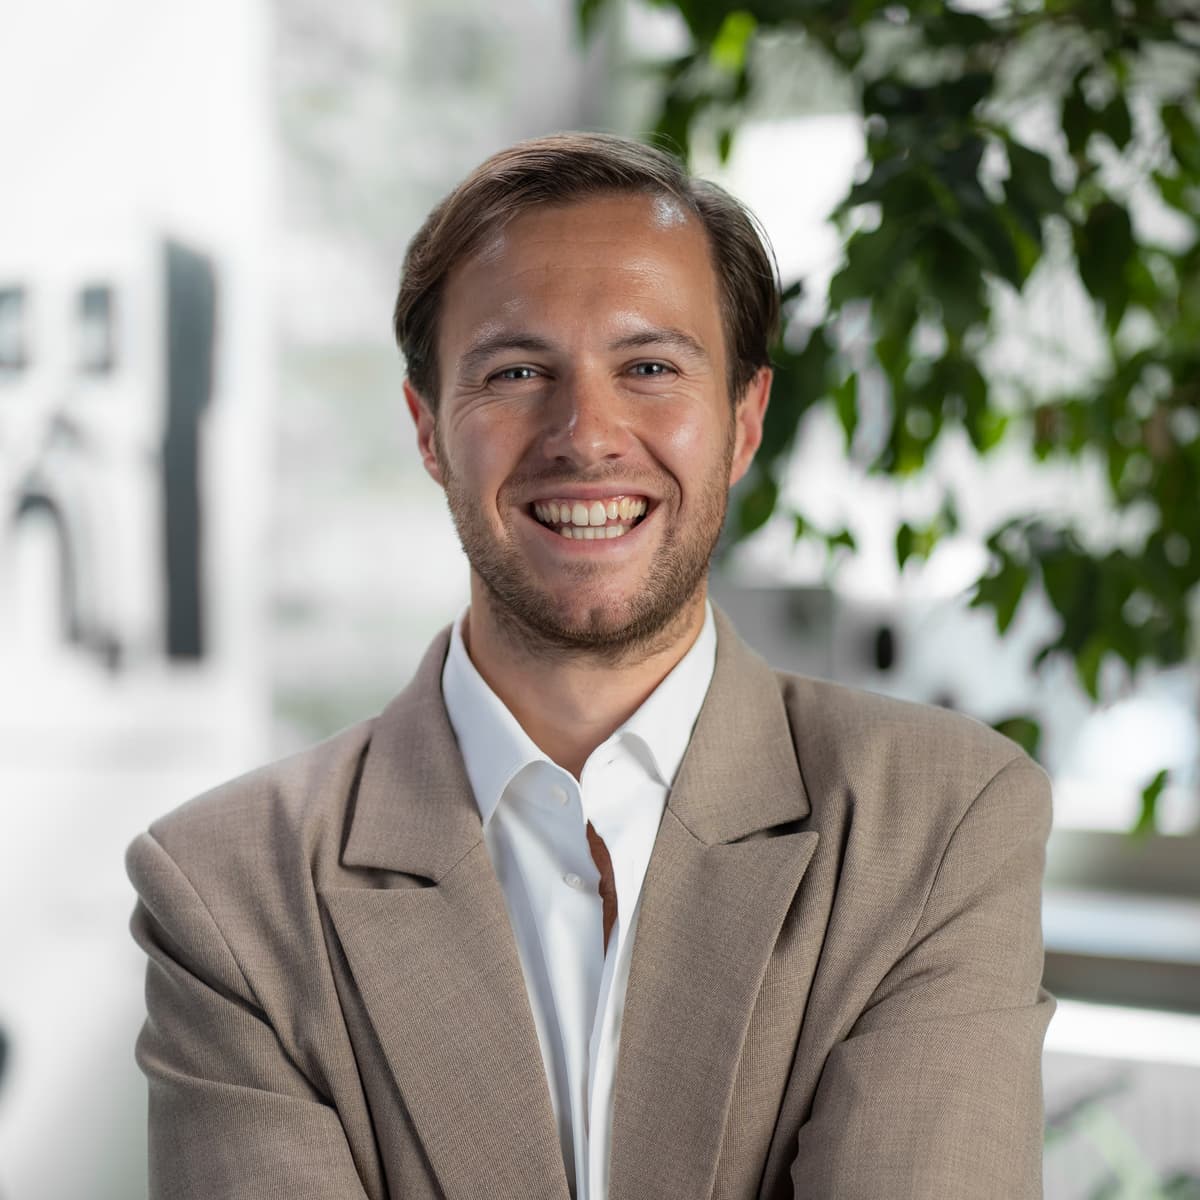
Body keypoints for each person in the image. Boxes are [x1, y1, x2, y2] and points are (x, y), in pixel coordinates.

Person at [126, 132, 1055, 1200]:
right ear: (429, 430)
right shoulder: (229, 891)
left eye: (650, 367)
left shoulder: (938, 822)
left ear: (743, 420)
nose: (586, 434)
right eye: (518, 371)